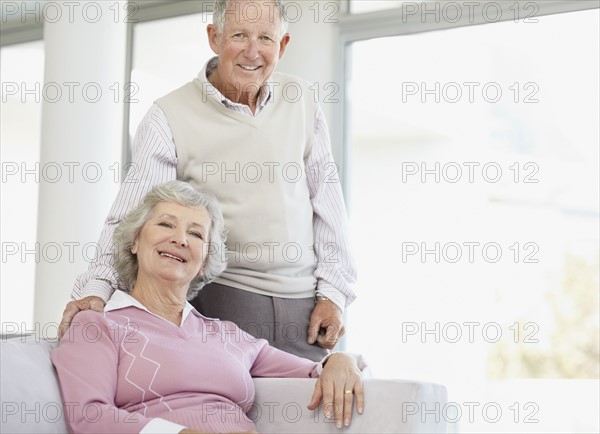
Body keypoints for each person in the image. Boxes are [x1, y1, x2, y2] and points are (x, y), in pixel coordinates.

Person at [60, 0, 357, 361]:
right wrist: (99, 288)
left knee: (321, 409)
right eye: (239, 35)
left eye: (265, 37)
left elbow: (328, 207)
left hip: (306, 310)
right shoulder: (168, 116)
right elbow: (130, 218)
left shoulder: (304, 100)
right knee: (231, 415)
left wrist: (333, 296)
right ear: (214, 38)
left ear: (282, 45)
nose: (252, 51)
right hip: (222, 303)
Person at [51, 181, 364, 433]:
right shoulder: (97, 324)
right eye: (165, 224)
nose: (180, 239)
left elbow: (312, 372)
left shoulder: (226, 335)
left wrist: (340, 359)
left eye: (196, 233)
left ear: (203, 263)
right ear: (134, 241)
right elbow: (89, 416)